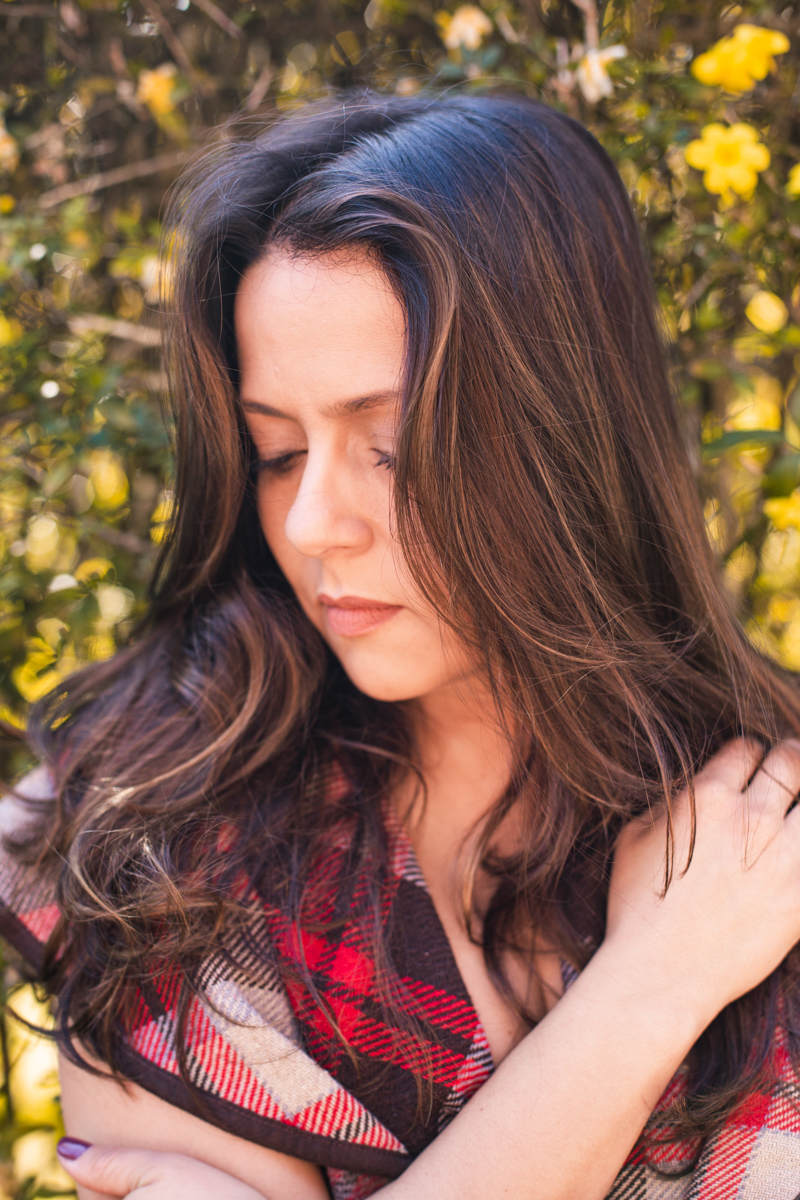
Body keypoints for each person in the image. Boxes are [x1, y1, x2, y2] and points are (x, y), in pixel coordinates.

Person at [4, 90, 800, 1200]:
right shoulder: (144, 843)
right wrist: (652, 987)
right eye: (275, 452)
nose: (312, 522)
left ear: (561, 440)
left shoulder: (771, 826)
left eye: (389, 447)